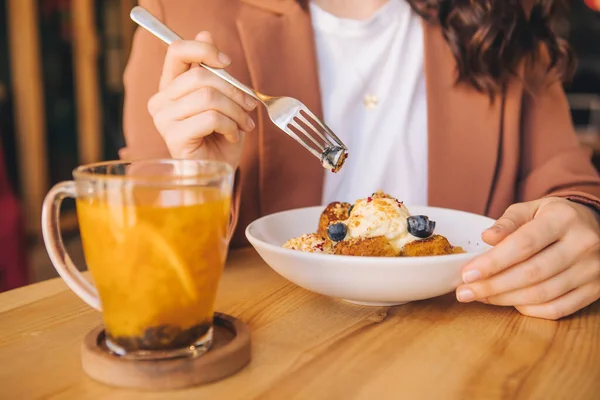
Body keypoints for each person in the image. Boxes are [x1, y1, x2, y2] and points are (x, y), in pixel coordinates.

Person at [122, 0, 600, 320]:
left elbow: (570, 184)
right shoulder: (181, 13)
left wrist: (582, 220)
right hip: (267, 352)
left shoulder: (503, 21)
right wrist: (196, 179)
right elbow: (138, 275)